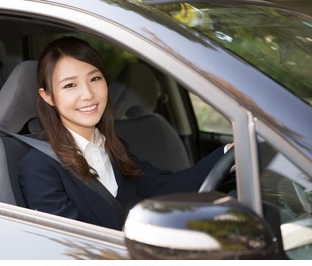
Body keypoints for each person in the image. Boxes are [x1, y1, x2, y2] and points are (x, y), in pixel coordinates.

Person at [18, 36, 234, 230]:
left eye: (95, 79)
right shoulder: (39, 167)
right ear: (48, 97)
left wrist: (229, 153)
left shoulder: (112, 148)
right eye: (70, 85)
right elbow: (70, 247)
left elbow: (168, 186)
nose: (88, 94)